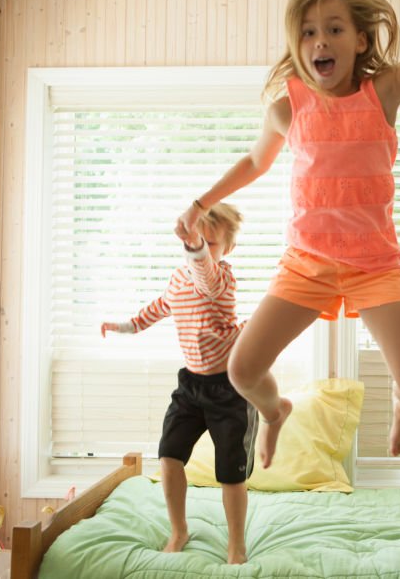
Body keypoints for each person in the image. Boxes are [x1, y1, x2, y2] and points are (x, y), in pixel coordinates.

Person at [175, 0, 400, 467]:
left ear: (361, 42)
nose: (321, 41)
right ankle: (276, 413)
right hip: (307, 263)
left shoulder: (383, 93)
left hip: (374, 265)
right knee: (243, 371)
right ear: (299, 47)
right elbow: (255, 163)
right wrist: (199, 202)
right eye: (309, 32)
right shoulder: (287, 109)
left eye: (334, 30)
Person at [100, 203, 256, 564]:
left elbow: (205, 274)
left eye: (211, 243)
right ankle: (179, 529)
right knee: (169, 456)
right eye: (198, 240)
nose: (202, 248)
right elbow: (157, 308)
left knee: (230, 473)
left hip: (228, 389)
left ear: (226, 250)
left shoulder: (222, 278)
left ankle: (236, 545)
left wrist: (197, 245)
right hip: (191, 386)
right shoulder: (178, 278)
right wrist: (123, 326)